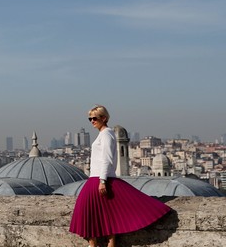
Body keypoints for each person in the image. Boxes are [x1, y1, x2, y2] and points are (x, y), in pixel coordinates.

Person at [69, 105, 171, 247]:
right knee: (107, 211)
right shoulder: (104, 133)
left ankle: (95, 244)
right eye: (90, 118)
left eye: (94, 118)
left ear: (104, 118)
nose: (92, 121)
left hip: (99, 178)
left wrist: (102, 181)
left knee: (88, 211)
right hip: (97, 177)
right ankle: (107, 243)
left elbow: (106, 158)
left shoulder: (106, 134)